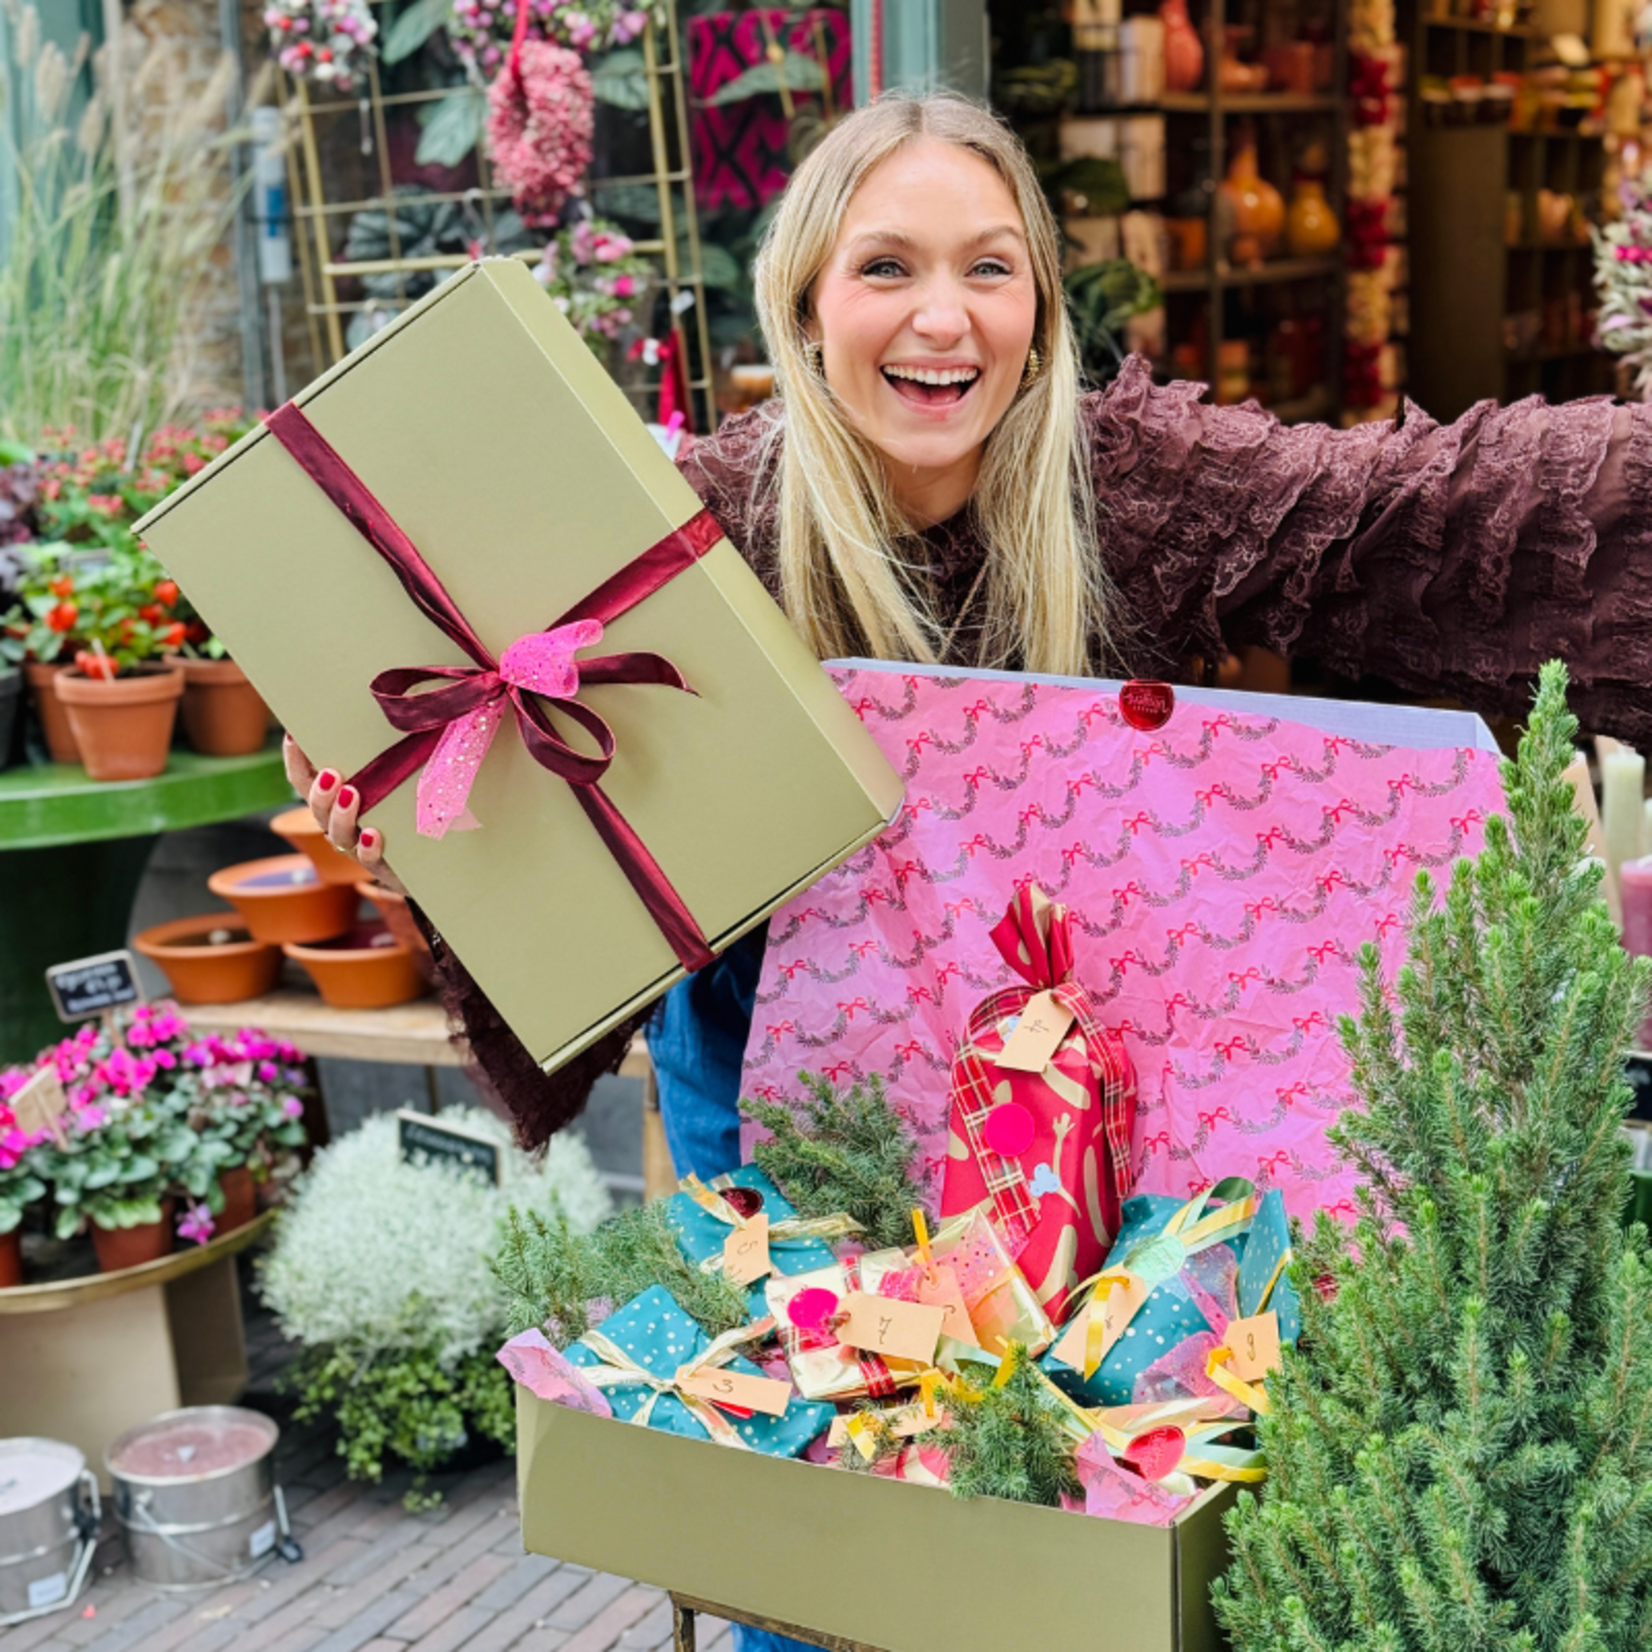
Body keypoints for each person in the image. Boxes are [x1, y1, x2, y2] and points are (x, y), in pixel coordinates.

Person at [287, 92, 1652, 1650]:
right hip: (792, 1091)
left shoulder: (1140, 479)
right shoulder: (703, 528)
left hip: (1099, 1086)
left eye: (990, 270)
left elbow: (1408, 520)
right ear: (805, 300)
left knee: (1053, 1524)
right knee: (819, 1527)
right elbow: (520, 788)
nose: (944, 318)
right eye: (886, 268)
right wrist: (405, 834)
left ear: (1041, 309)